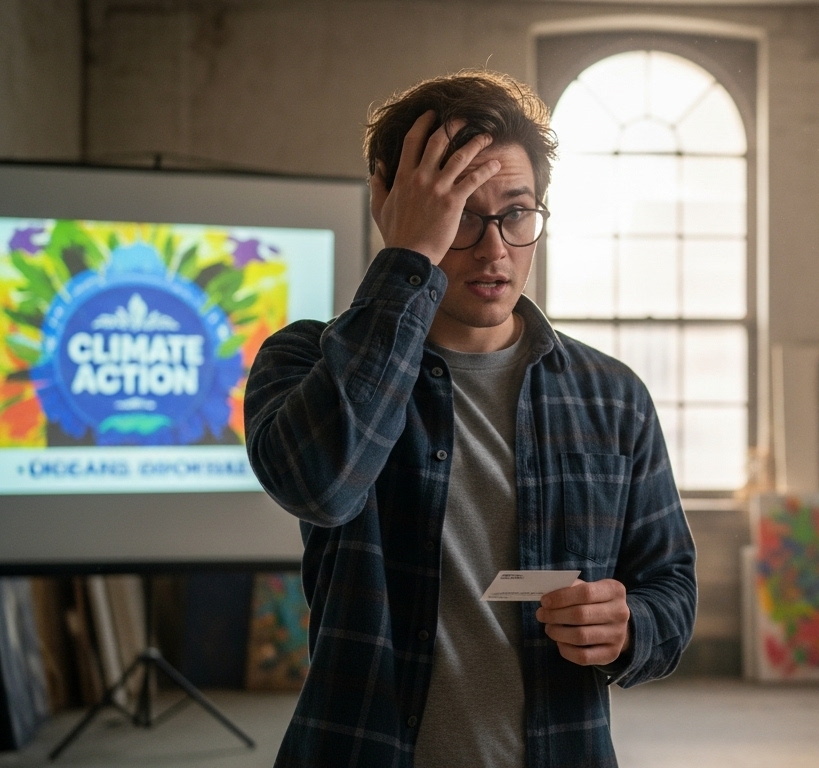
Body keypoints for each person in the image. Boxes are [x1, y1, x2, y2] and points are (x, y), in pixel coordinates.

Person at [244, 70, 697, 768]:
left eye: (517, 213)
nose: (494, 251)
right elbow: (321, 485)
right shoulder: (308, 361)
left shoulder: (612, 395)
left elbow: (670, 583)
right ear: (391, 207)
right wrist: (406, 264)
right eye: (457, 214)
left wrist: (631, 625)